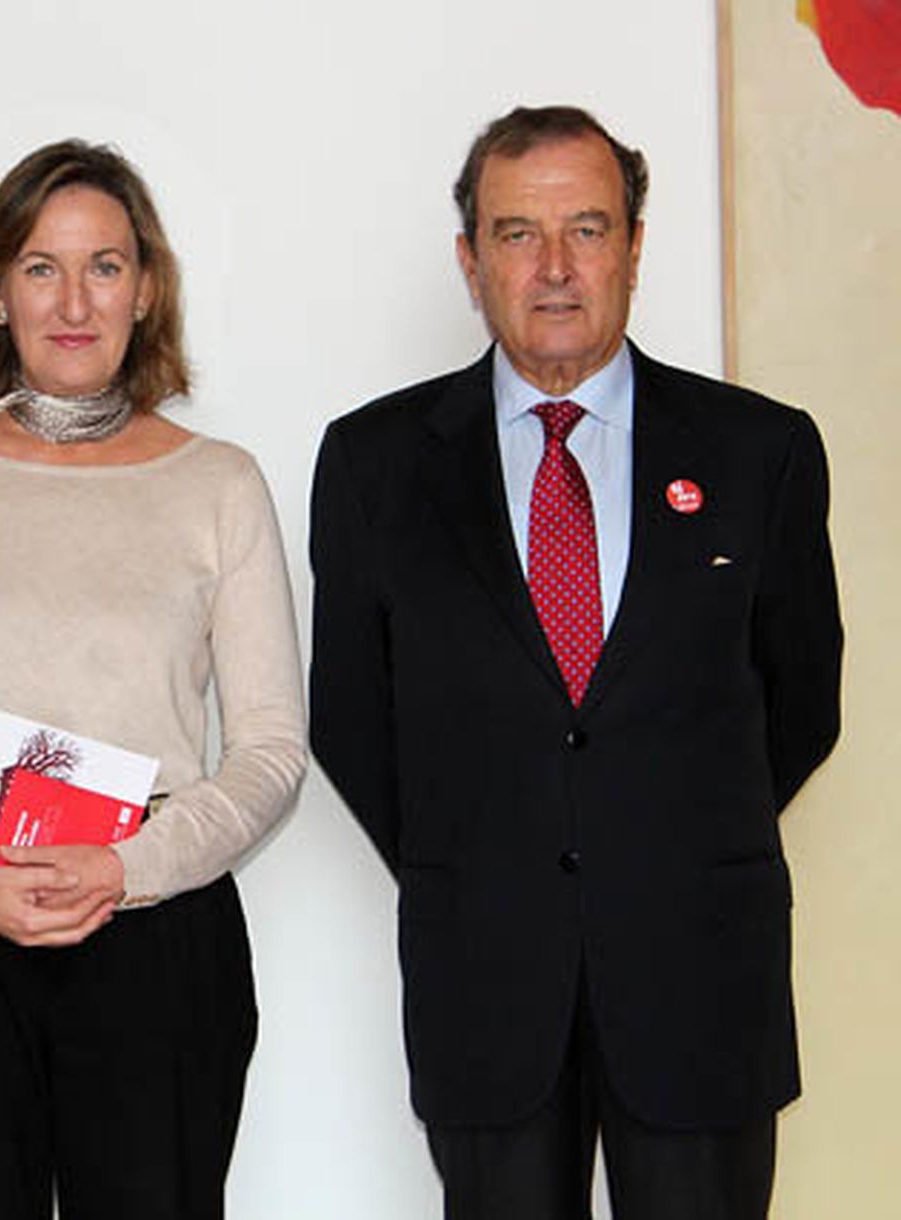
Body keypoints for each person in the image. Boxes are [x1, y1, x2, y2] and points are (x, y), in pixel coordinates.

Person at [309, 105, 842, 1220]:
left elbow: (798, 702)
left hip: (700, 979)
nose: (553, 268)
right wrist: (490, 854)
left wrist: (655, 836)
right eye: (516, 234)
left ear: (636, 248)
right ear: (469, 260)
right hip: (485, 985)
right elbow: (353, 720)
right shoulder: (376, 463)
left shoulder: (760, 451)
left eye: (588, 229)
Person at [0, 139, 306, 1220]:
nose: (73, 300)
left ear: (145, 291)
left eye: (104, 266)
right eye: (40, 267)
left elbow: (271, 750)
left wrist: (127, 862)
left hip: (153, 935)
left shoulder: (219, 485)